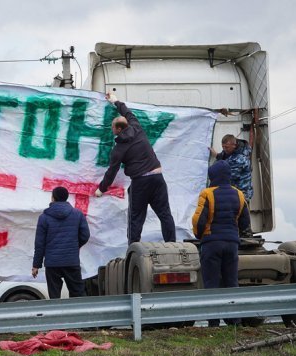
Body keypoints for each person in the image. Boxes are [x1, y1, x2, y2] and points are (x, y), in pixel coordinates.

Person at [94, 93, 176, 245]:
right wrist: (115, 101)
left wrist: (101, 189)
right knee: (165, 214)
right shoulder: (137, 127)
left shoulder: (119, 149)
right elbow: (127, 112)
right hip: (158, 178)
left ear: (118, 129)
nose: (111, 129)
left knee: (136, 218)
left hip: (141, 182)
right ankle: (172, 244)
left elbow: (111, 171)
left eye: (112, 127)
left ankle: (134, 248)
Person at [192, 160, 251, 327]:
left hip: (212, 243)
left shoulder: (208, 193)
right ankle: (235, 321)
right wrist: (234, 232)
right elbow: (245, 221)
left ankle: (214, 322)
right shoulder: (239, 194)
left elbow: (199, 220)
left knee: (212, 283)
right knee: (231, 282)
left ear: (213, 176)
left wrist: (199, 235)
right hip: (232, 244)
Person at [32, 186, 90, 299]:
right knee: (78, 294)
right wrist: (74, 246)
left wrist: (36, 265)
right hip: (71, 261)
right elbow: (85, 235)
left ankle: (57, 315)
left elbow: (40, 243)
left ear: (53, 198)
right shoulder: (78, 214)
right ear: (66, 197)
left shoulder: (44, 218)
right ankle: (79, 315)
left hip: (52, 263)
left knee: (55, 297)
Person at [209, 134, 253, 201]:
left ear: (234, 145)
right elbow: (223, 157)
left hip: (241, 195)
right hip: (232, 194)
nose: (224, 149)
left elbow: (229, 176)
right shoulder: (229, 152)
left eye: (226, 147)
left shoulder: (240, 159)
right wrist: (216, 155)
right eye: (223, 147)